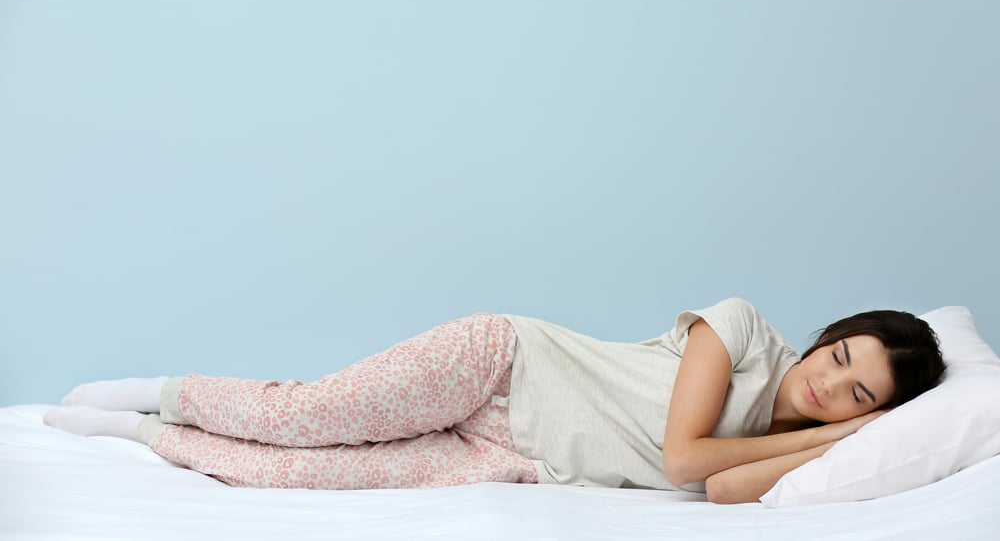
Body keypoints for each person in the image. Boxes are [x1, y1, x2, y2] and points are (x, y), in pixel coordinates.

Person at [43, 297, 945, 504]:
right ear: (828, 332)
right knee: (306, 414)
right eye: (839, 354)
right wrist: (840, 429)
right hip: (504, 366)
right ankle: (161, 389)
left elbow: (719, 491)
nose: (826, 380)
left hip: (513, 454)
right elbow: (682, 459)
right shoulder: (742, 328)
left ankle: (147, 433)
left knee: (298, 476)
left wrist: (839, 442)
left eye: (852, 392)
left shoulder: (808, 440)